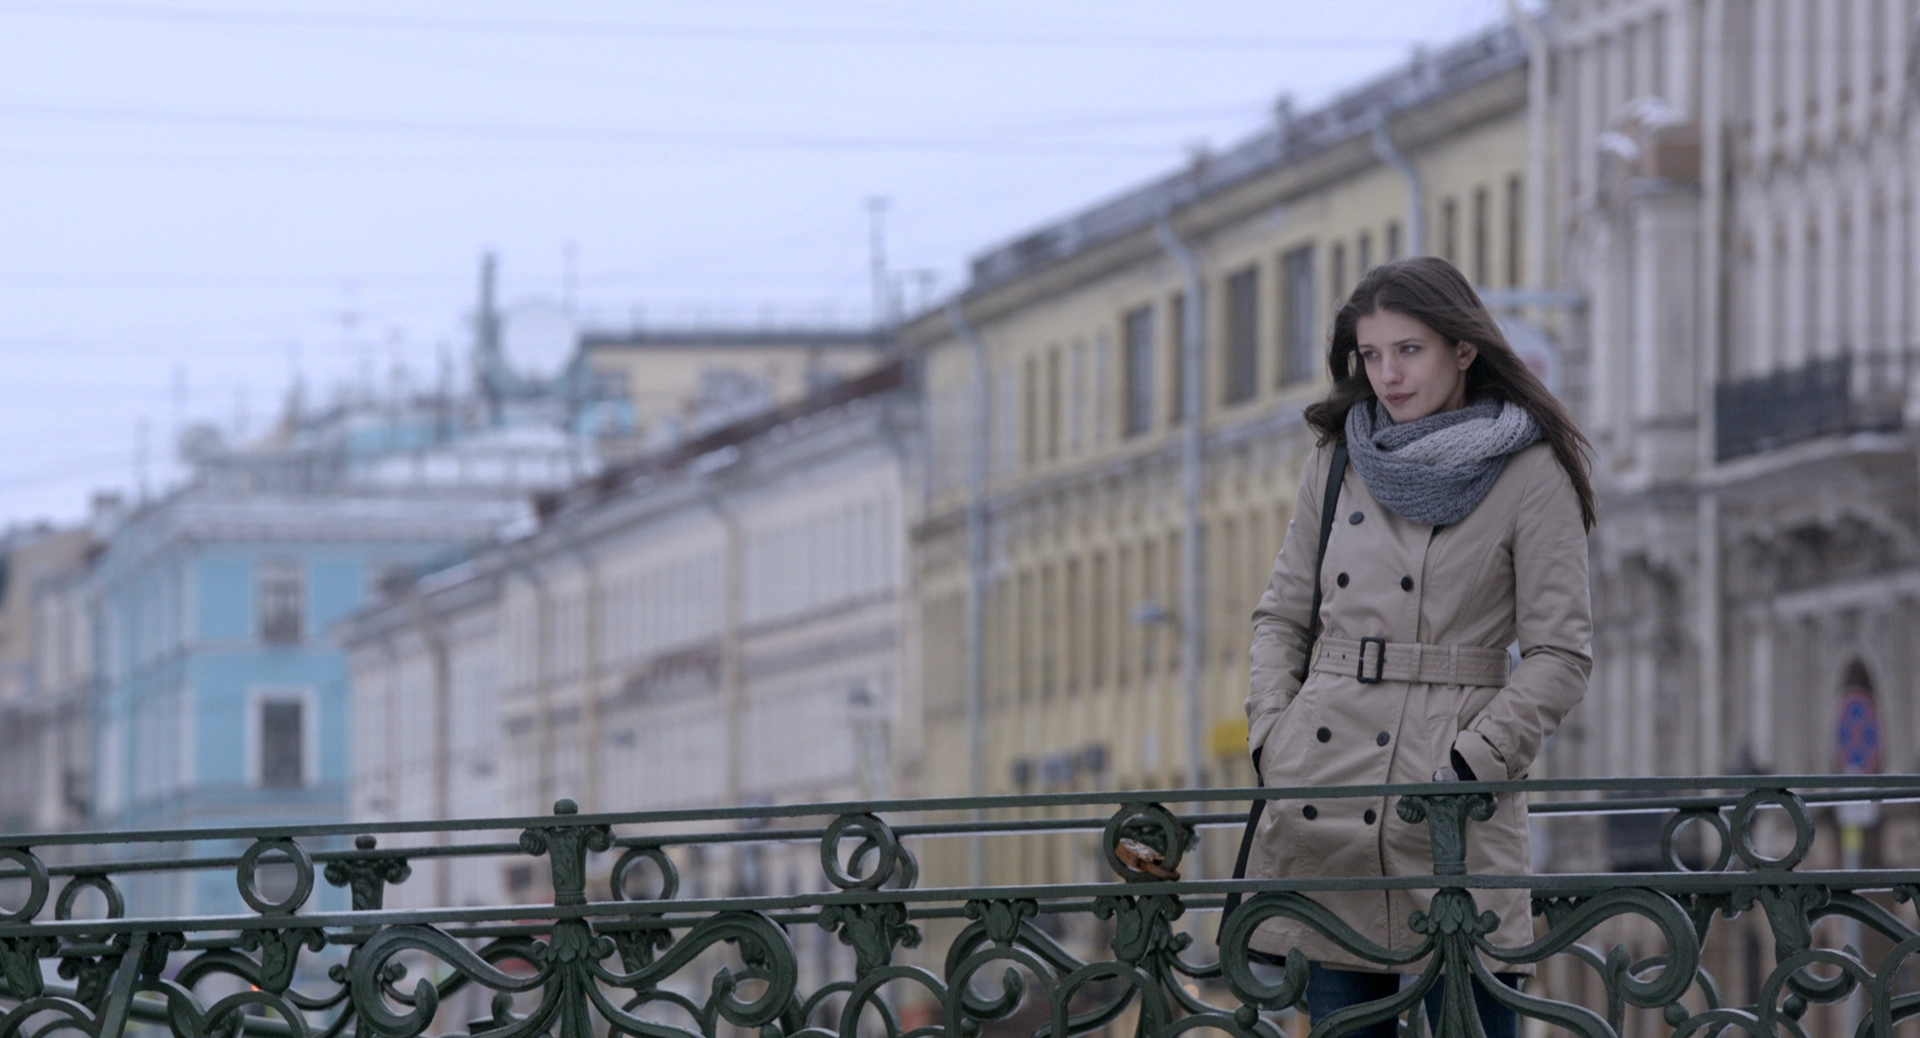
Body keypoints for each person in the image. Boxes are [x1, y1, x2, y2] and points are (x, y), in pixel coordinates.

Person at [1242, 256, 1595, 1037]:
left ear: (1463, 348)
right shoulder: (1337, 459)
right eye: (1371, 355)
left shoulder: (1530, 471)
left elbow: (1561, 655)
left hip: (1449, 805)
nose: (1388, 376)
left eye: (1409, 351)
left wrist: (1475, 762)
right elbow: (1282, 618)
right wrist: (1273, 736)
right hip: (1326, 790)